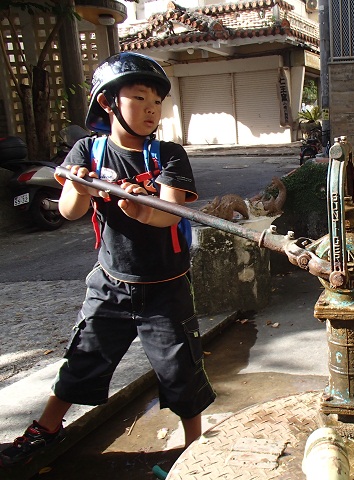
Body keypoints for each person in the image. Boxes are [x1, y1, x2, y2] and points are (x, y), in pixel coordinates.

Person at [0, 52, 216, 467]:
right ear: (108, 102)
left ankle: (195, 450)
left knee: (181, 371)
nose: (152, 110)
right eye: (140, 99)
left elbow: (169, 212)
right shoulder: (87, 151)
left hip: (166, 289)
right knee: (84, 357)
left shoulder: (169, 155)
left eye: (157, 102)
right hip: (110, 283)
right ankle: (46, 430)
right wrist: (82, 186)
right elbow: (69, 212)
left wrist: (134, 205)